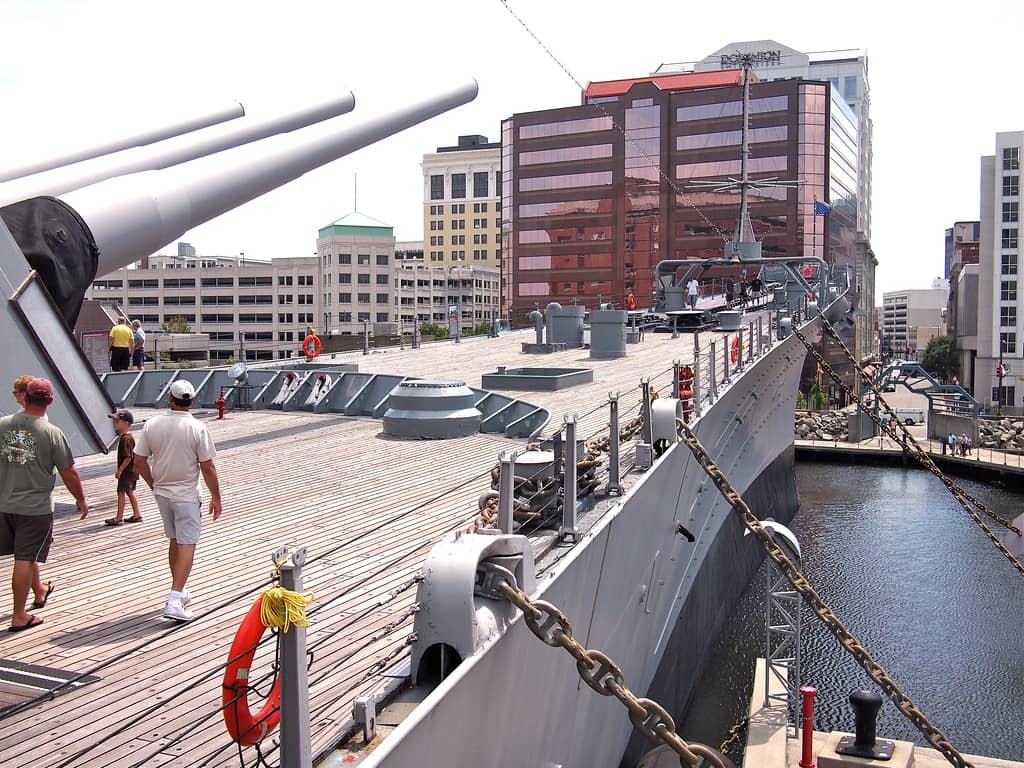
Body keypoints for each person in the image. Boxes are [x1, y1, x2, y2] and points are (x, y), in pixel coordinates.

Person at [0, 378, 89, 631]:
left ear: (24, 397)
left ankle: (39, 592)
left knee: (29, 556)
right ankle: (19, 615)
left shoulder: (3, 424)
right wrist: (80, 499)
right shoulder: (51, 433)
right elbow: (68, 472)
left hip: (4, 502)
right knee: (26, 558)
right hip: (34, 508)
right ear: (49, 401)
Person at [133, 380, 221, 622]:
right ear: (190, 401)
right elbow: (207, 466)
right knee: (187, 543)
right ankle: (173, 599)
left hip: (162, 493)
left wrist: (154, 484)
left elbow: (139, 461)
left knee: (175, 540)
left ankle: (179, 590)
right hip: (187, 495)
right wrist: (216, 497)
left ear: (169, 399)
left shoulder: (152, 424)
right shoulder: (197, 428)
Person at [106, 410, 142, 526]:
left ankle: (118, 517)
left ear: (126, 423)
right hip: (132, 471)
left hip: (127, 472)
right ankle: (137, 514)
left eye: (117, 421)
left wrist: (120, 470)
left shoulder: (125, 439)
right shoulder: (128, 437)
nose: (114, 423)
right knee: (129, 491)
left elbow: (128, 457)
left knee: (120, 492)